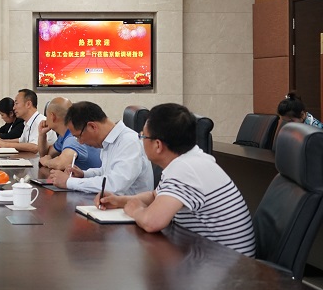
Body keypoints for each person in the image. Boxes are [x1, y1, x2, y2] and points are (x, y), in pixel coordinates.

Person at [98, 103, 256, 257]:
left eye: (142, 136)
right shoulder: (189, 160)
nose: (141, 140)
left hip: (230, 265)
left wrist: (135, 210)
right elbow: (155, 196)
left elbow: (151, 223)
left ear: (158, 145)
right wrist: (119, 201)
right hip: (215, 256)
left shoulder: (185, 169)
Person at [49, 101, 152, 195]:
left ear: (92, 126)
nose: (80, 142)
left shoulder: (129, 142)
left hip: (129, 207)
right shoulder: (108, 141)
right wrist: (84, 174)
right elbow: (106, 171)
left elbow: (114, 185)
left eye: (79, 136)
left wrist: (69, 182)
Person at [36, 97, 101, 177]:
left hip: (91, 183)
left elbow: (61, 164)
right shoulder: (64, 135)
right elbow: (46, 155)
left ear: (52, 116)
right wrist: (42, 135)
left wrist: (47, 162)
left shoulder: (74, 137)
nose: (46, 120)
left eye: (47, 116)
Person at [0, 89, 55, 153]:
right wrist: (1, 141)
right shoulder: (27, 122)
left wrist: (5, 144)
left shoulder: (40, 121)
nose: (14, 108)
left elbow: (35, 147)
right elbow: (21, 141)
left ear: (28, 104)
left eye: (16, 103)